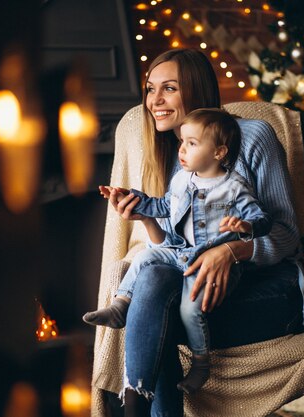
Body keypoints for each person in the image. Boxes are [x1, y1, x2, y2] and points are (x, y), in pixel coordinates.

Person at [92, 48, 304, 417]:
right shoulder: (181, 162)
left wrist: (233, 251)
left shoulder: (252, 136)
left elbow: (288, 234)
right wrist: (144, 217)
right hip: (194, 281)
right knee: (153, 278)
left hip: (263, 284)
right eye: (149, 89)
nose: (154, 101)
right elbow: (176, 248)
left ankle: (133, 408)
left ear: (196, 90)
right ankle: (135, 407)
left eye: (169, 89)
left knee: (154, 312)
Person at [83, 108, 272, 394]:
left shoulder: (234, 187)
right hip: (179, 251)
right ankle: (122, 304)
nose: (181, 150)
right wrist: (130, 199)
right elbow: (162, 207)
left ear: (219, 152)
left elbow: (264, 221)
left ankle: (200, 363)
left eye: (192, 144)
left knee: (190, 308)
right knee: (145, 257)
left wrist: (244, 226)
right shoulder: (183, 180)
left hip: (213, 263)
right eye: (182, 142)